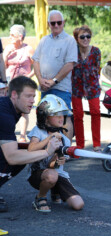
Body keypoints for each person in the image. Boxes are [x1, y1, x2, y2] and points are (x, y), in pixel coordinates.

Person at [0, 76, 61, 214]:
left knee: (25, 153)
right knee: (20, 157)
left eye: (34, 96)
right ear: (14, 94)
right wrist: (47, 152)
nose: (32, 100)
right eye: (28, 96)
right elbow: (12, 157)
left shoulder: (8, 107)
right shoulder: (4, 115)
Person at [27, 94, 84, 212]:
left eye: (62, 114)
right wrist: (49, 139)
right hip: (37, 174)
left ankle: (55, 190)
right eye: (56, 114)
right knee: (51, 176)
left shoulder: (65, 139)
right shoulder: (38, 131)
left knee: (78, 205)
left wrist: (59, 160)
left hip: (56, 174)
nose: (61, 118)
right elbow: (30, 150)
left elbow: (52, 166)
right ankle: (40, 198)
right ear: (45, 117)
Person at [33, 10, 78, 142]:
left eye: (59, 22)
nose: (56, 25)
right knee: (44, 119)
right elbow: (35, 60)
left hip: (61, 87)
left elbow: (70, 64)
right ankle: (47, 148)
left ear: (63, 23)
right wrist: (40, 79)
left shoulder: (69, 41)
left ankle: (66, 149)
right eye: (53, 23)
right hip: (45, 88)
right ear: (48, 24)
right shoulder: (44, 40)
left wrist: (54, 81)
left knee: (64, 118)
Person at [72, 25, 101, 152]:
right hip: (76, 87)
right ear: (77, 38)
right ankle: (79, 145)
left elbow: (96, 69)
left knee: (95, 113)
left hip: (92, 87)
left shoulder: (95, 51)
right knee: (78, 115)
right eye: (82, 36)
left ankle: (97, 144)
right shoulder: (72, 51)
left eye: (88, 36)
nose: (85, 39)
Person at [3, 24, 34, 143]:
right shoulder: (8, 48)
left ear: (20, 36)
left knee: (23, 109)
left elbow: (36, 66)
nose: (10, 37)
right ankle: (8, 132)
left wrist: (28, 76)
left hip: (23, 84)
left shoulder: (28, 49)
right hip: (10, 83)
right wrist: (6, 55)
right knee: (8, 107)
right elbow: (3, 65)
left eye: (12, 35)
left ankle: (22, 135)